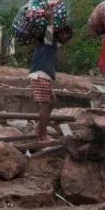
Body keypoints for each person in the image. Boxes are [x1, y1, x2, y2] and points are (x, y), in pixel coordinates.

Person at [28, 11, 74, 140]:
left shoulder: (53, 42)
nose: (67, 40)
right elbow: (49, 34)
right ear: (61, 33)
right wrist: (50, 21)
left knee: (52, 102)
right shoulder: (50, 39)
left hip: (44, 74)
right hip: (41, 74)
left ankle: (39, 128)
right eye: (67, 36)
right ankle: (42, 135)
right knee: (45, 104)